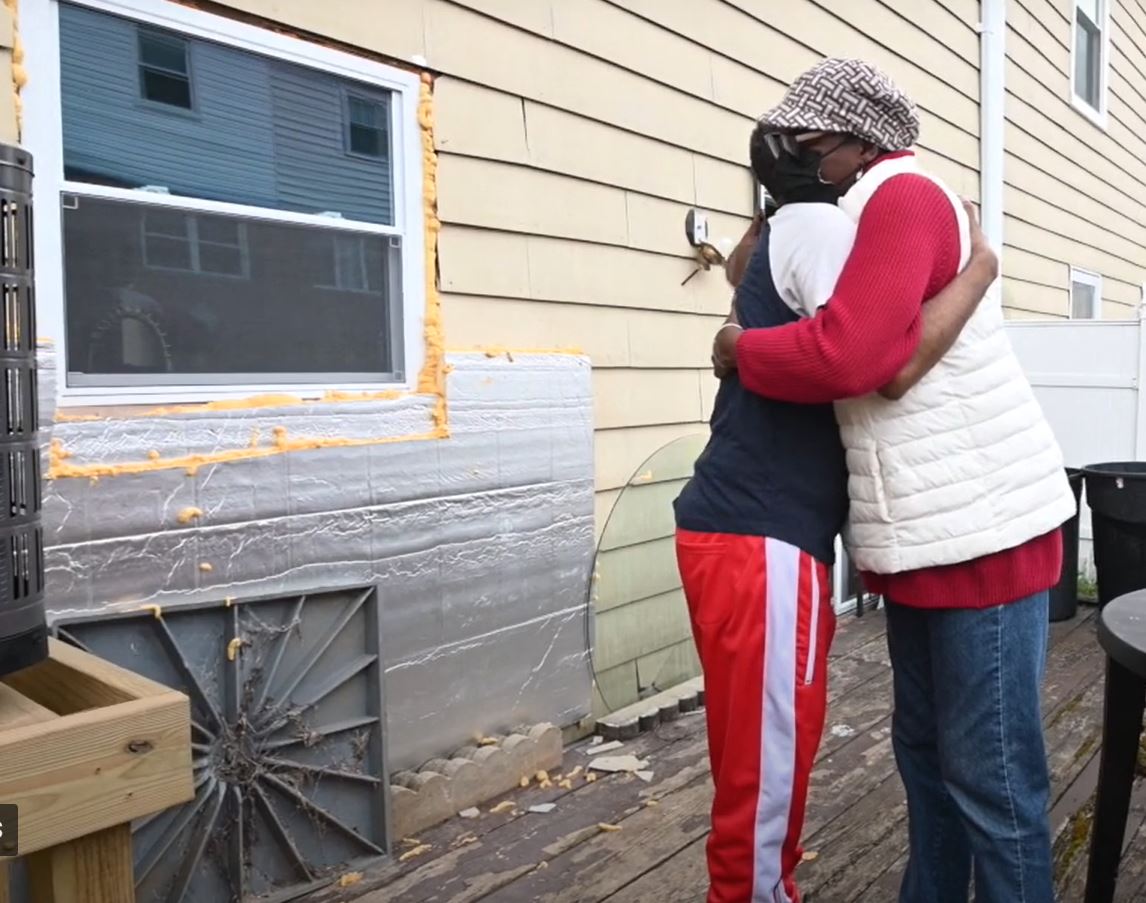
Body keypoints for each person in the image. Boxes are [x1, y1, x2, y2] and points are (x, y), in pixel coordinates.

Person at [713, 58, 1077, 903]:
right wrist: (776, 208)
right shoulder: (845, 210)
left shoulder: (904, 196)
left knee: (991, 776)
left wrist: (739, 351)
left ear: (855, 141)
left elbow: (868, 359)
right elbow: (750, 269)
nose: (791, 151)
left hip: (982, 532)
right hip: (923, 536)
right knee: (925, 756)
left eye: (805, 140)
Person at [674, 117, 999, 903]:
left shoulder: (789, 224)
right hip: (761, 531)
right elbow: (874, 357)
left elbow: (752, 276)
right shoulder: (820, 225)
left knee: (764, 751)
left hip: (745, 525)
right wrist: (979, 267)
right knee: (767, 765)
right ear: (824, 164)